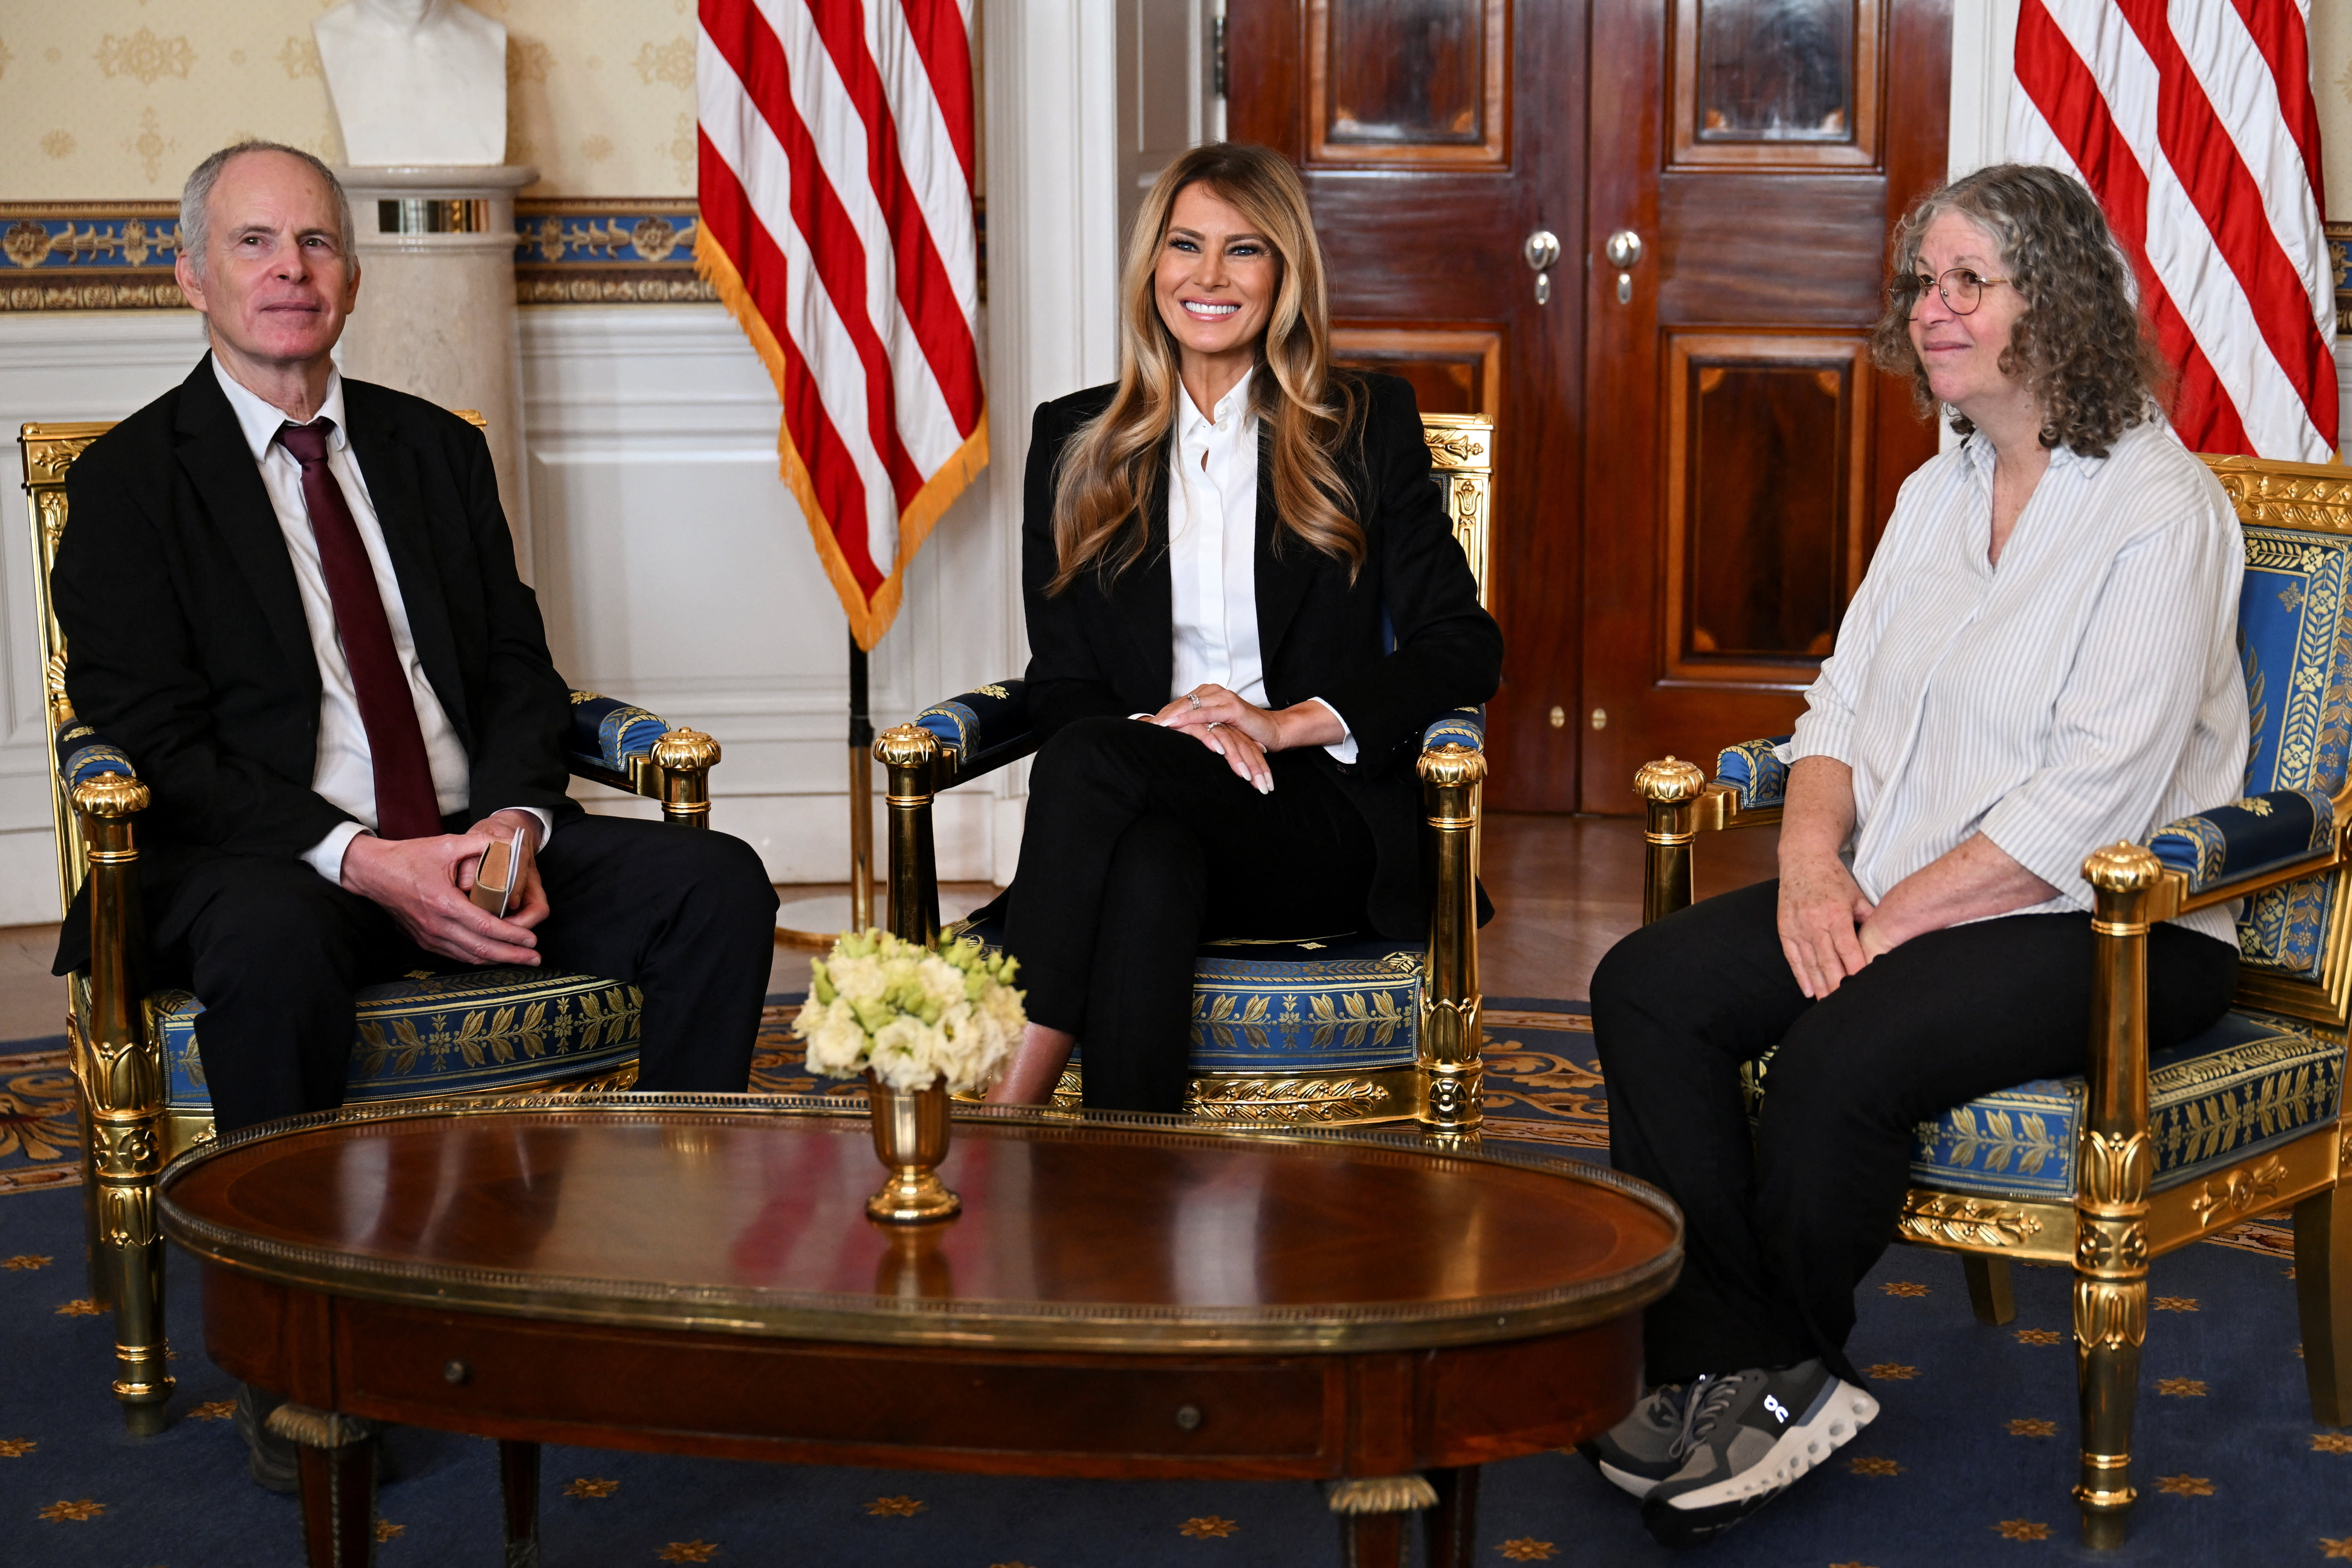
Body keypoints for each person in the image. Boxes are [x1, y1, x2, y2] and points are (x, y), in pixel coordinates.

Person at [1585, 163, 2245, 1548]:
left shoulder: (2157, 509)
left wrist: (1879, 926)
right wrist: (1819, 873)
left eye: (1966, 284)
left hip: (2119, 925)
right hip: (1908, 889)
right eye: (1919, 286)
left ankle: (1771, 1377)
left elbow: (2091, 796)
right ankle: (1744, 1364)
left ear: (2052, 304)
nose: (1931, 312)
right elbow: (1832, 712)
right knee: (1647, 984)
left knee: (1843, 1047)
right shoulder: (1930, 490)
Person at [52, 144, 778, 1150]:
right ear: (192, 276)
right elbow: (160, 746)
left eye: (316, 243)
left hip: (472, 841)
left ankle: (667, 1221)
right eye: (254, 243)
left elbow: (519, 670)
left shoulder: (436, 450)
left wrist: (509, 828)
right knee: (273, 941)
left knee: (717, 882)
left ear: (353, 276)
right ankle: (292, 1272)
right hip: (274, 858)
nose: (290, 269)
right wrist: (365, 861)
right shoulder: (128, 485)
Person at [981, 143, 1503, 1111]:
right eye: (1185, 246)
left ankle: (1008, 1114)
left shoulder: (1362, 422)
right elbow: (1060, 679)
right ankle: (1127, 1186)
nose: (1209, 278)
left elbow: (1462, 645)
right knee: (1145, 865)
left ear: (1285, 275)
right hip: (1151, 795)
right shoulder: (1074, 440)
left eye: (1244, 251)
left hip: (1318, 824)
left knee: (1092, 765)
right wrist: (1177, 733)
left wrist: (1279, 721)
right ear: (1151, 269)